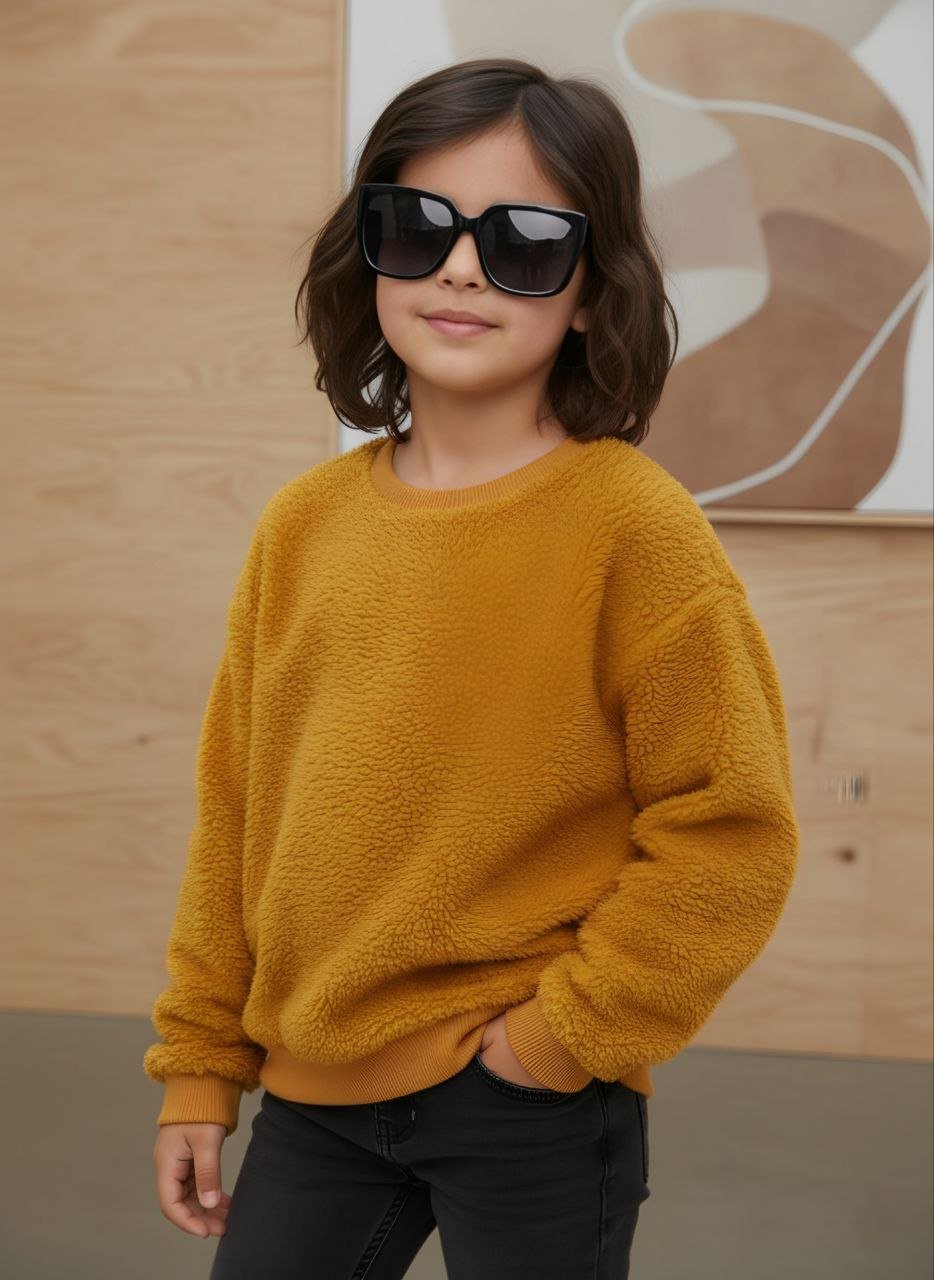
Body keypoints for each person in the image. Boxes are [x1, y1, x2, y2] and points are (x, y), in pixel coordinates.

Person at [145, 56, 800, 1279]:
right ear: (370, 255)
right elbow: (236, 814)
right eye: (417, 226)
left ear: (593, 294)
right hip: (313, 1090)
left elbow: (729, 830)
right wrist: (200, 1063)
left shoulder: (634, 528)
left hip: (530, 1104)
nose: (459, 267)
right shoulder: (303, 525)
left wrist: (554, 1040)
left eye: (524, 243)